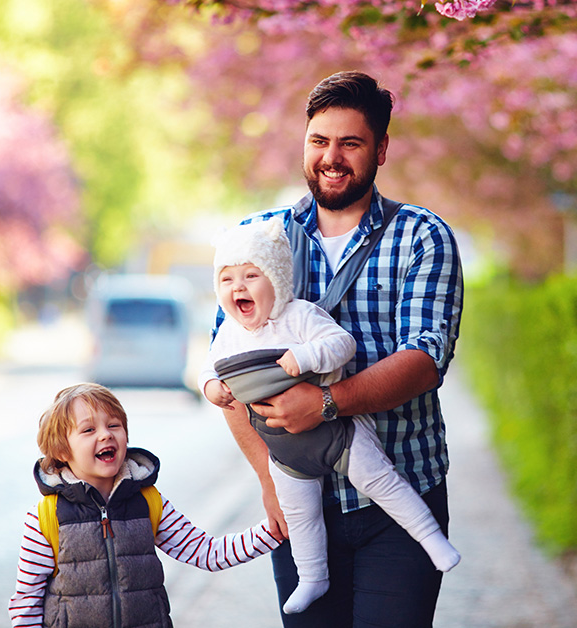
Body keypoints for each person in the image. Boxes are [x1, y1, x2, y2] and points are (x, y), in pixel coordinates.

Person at [211, 70, 464, 627]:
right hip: (301, 505)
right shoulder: (257, 238)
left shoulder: (423, 236)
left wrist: (326, 403)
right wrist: (268, 481)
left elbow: (424, 360)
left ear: (381, 149)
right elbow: (229, 376)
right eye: (319, 141)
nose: (332, 157)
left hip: (400, 493)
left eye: (350, 143)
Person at [199, 219, 460, 615]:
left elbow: (355, 346)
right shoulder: (231, 329)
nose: (238, 286)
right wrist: (211, 388)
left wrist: (307, 367)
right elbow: (212, 368)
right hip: (288, 458)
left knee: (382, 480)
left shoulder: (299, 314)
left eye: (251, 276)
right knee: (301, 516)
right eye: (228, 279)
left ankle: (430, 538)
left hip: (349, 441)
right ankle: (312, 578)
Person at [8, 383, 282, 628]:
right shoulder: (46, 517)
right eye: (89, 429)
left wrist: (274, 530)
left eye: (113, 425)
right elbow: (26, 602)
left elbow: (207, 552)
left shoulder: (149, 501)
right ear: (62, 451)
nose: (105, 435)